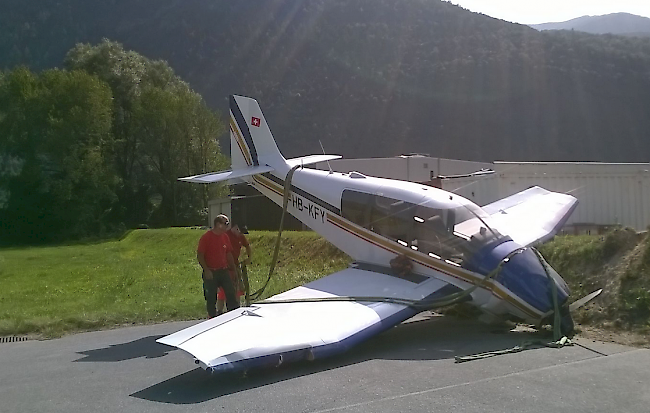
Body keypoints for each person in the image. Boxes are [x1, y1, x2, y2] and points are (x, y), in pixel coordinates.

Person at [197, 214, 240, 318]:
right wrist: (206, 270)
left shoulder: (225, 237)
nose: (227, 226)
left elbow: (228, 254)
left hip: (224, 270)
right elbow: (200, 255)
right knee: (211, 297)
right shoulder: (206, 237)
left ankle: (233, 315)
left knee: (231, 293)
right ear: (218, 224)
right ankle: (212, 317)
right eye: (226, 224)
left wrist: (233, 270)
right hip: (211, 271)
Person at [217, 223, 253, 312]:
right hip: (225, 266)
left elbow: (247, 246)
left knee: (238, 289)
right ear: (235, 228)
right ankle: (219, 311)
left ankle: (237, 309)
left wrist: (249, 258)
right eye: (240, 232)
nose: (241, 234)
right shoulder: (226, 236)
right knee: (223, 290)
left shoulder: (240, 237)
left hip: (235, 266)